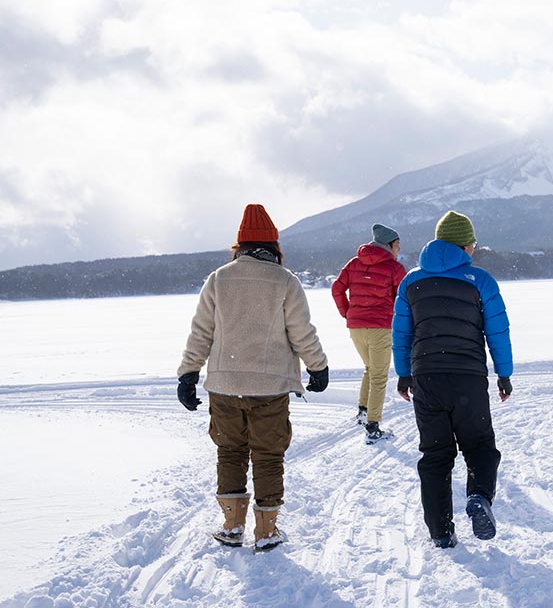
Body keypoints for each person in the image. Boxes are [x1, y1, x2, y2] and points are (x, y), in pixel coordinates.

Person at [176, 204, 330, 552]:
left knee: (230, 452)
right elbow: (301, 332)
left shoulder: (219, 279)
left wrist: (188, 373)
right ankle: (266, 531)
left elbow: (201, 333)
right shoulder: (285, 281)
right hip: (269, 388)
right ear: (274, 246)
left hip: (224, 386)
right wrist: (317, 366)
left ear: (239, 246)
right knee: (268, 455)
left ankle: (232, 526)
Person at [392, 210, 513, 549]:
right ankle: (478, 496)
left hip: (426, 378)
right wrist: (504, 374)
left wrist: (404, 373)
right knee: (480, 447)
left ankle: (441, 532)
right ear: (465, 246)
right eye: (472, 244)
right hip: (469, 379)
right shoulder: (481, 280)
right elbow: (498, 332)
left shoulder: (411, 281)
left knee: (435, 455)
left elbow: (401, 332)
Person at [332, 223, 407, 443]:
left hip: (356, 328)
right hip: (380, 328)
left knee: (370, 368)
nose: (399, 250)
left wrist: (347, 312)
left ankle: (363, 412)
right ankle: (373, 428)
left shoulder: (354, 263)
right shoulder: (394, 268)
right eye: (397, 245)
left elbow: (337, 288)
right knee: (379, 376)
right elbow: (402, 301)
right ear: (388, 245)